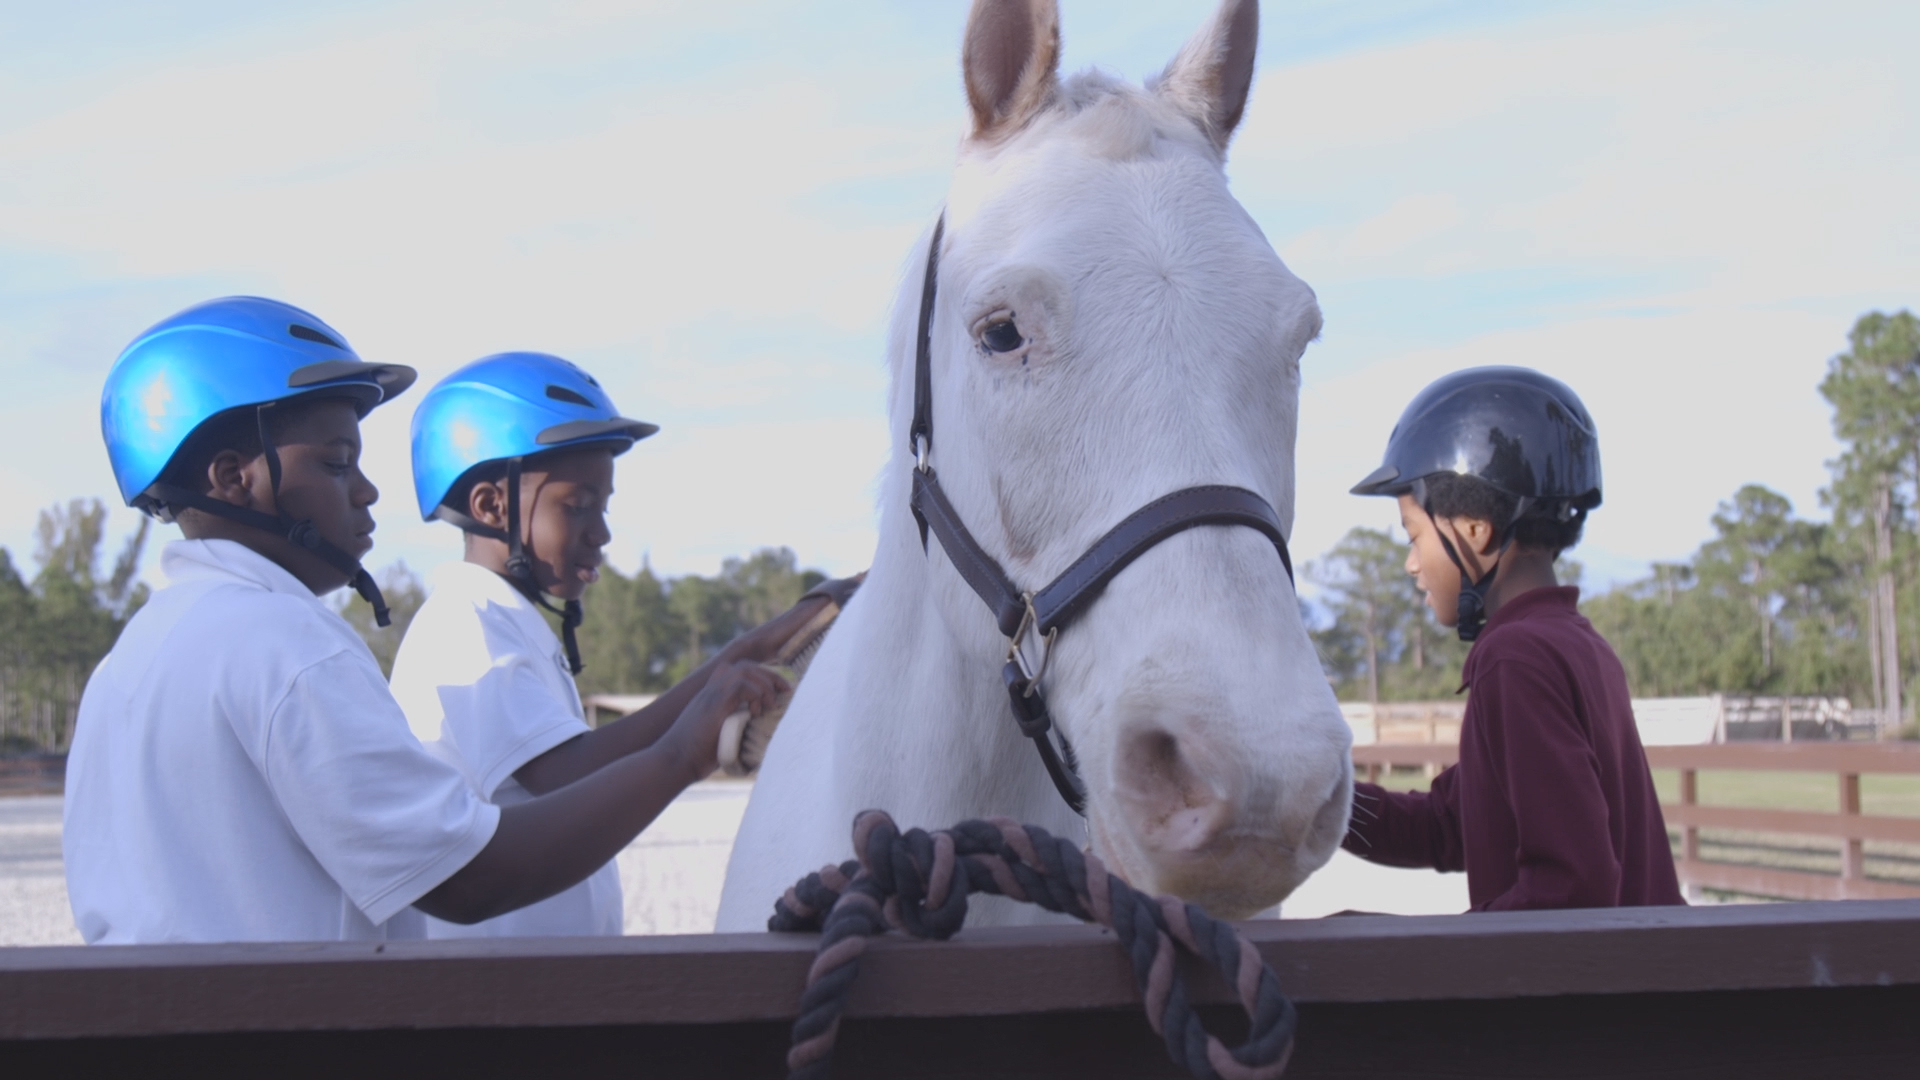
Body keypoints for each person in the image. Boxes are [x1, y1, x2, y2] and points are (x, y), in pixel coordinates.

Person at [67, 298, 783, 943]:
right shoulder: (282, 644)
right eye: (338, 463)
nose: (369, 490)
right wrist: (681, 756)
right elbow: (471, 878)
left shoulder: (129, 661)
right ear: (232, 479)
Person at [394, 352, 851, 937]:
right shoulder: (465, 627)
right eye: (578, 506)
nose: (602, 532)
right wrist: (714, 703)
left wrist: (759, 645)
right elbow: (567, 776)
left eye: (603, 507)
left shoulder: (505, 623)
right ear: (490, 506)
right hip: (499, 1000)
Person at [1342, 366, 1683, 910]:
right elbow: (1451, 825)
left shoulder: (1515, 659)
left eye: (1414, 535)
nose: (1411, 563)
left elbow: (1571, 888)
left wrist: (1409, 952)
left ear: (1476, 527)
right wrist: (1314, 804)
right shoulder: (1574, 643)